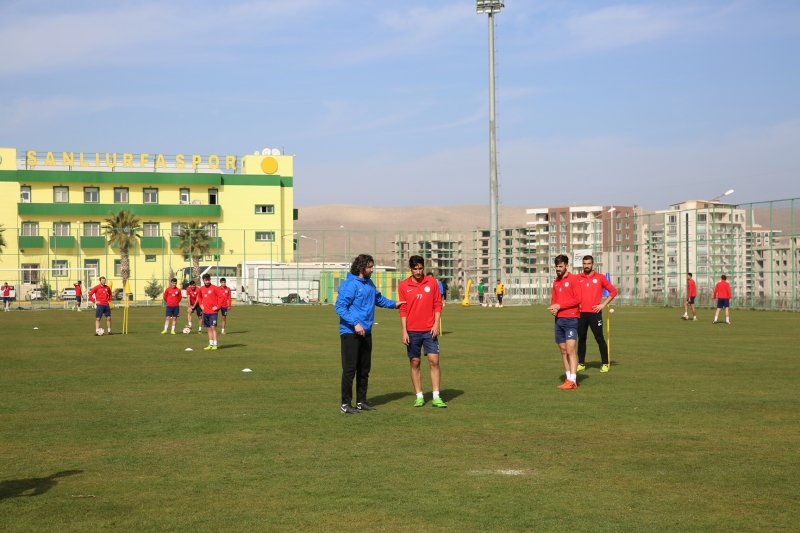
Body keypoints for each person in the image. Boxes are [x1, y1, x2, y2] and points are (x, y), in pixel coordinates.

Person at [335, 254, 403, 414]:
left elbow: (378, 299)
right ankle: (345, 404)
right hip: (350, 333)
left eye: (373, 267)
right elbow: (340, 307)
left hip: (366, 332)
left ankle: (361, 401)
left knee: (364, 370)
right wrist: (355, 323)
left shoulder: (369, 283)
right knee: (350, 369)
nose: (372, 270)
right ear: (361, 268)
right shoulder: (350, 285)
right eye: (370, 267)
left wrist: (394, 304)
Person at [399, 256, 446, 408]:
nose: (418, 272)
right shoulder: (403, 285)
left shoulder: (432, 282)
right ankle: (419, 396)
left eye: (420, 268)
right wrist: (404, 330)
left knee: (434, 361)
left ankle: (436, 397)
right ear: (410, 269)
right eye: (415, 269)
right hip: (412, 330)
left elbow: (437, 304)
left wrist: (436, 324)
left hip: (429, 330)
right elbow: (403, 309)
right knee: (415, 362)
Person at [576, 256, 617, 373]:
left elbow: (613, 291)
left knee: (599, 338)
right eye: (584, 263)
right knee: (581, 339)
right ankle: (581, 363)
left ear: (593, 264)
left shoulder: (600, 277)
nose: (586, 266)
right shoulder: (577, 278)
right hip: (581, 313)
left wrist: (603, 304)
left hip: (595, 313)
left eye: (588, 263)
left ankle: (605, 364)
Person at [548, 255, 582, 390]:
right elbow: (554, 299)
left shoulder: (573, 280)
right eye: (556, 266)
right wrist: (553, 308)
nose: (558, 269)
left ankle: (573, 380)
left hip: (571, 319)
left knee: (570, 350)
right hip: (559, 320)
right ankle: (568, 379)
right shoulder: (556, 282)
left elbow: (578, 299)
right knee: (563, 351)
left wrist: (559, 306)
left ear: (567, 266)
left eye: (560, 266)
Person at [197, 274, 223, 349]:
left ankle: (215, 344)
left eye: (208, 280)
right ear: (203, 280)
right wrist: (200, 304)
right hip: (205, 312)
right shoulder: (201, 289)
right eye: (206, 280)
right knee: (208, 328)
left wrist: (218, 306)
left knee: (213, 327)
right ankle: (210, 344)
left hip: (213, 313)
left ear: (210, 280)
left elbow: (221, 297)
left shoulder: (215, 288)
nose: (207, 281)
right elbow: (199, 297)